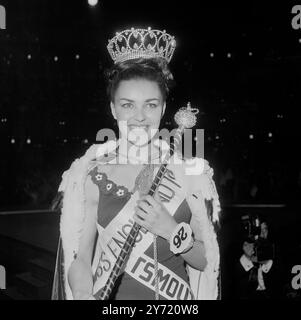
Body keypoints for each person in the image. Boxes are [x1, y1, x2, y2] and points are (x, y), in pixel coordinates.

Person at [51, 27, 220, 300]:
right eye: (128, 105)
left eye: (150, 105)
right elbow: (81, 258)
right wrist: (82, 293)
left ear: (163, 109)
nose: (139, 116)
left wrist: (170, 230)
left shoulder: (190, 173)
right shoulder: (93, 175)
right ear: (113, 108)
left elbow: (206, 261)